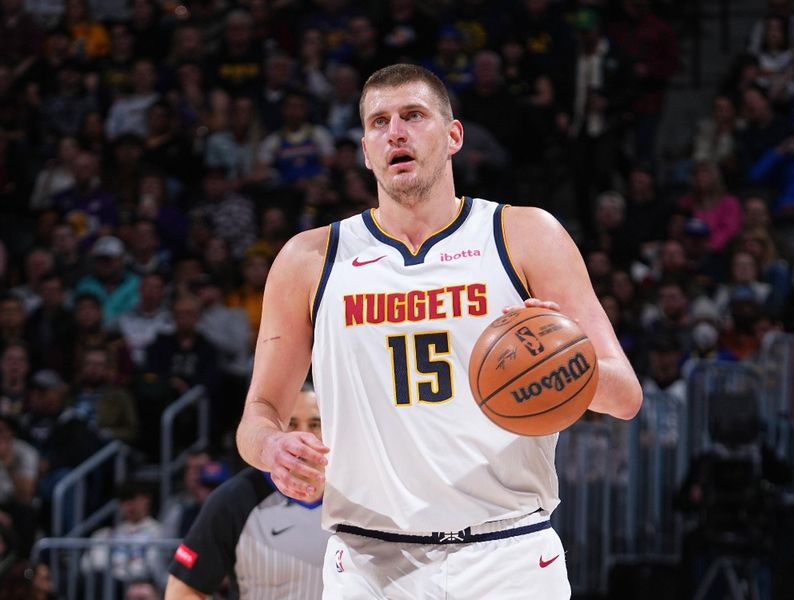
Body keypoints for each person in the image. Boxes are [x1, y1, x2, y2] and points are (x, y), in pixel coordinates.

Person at [236, 64, 642, 599]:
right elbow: (257, 415)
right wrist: (274, 448)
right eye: (379, 122)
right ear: (365, 150)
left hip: (508, 551)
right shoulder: (309, 259)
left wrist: (563, 357)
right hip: (368, 561)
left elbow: (626, 396)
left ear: (453, 136)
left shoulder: (523, 235)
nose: (396, 132)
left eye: (413, 116)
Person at [166, 386, 329, 599]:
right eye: (291, 424)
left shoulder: (359, 496)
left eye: (315, 424)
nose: (304, 435)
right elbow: (183, 588)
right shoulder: (235, 499)